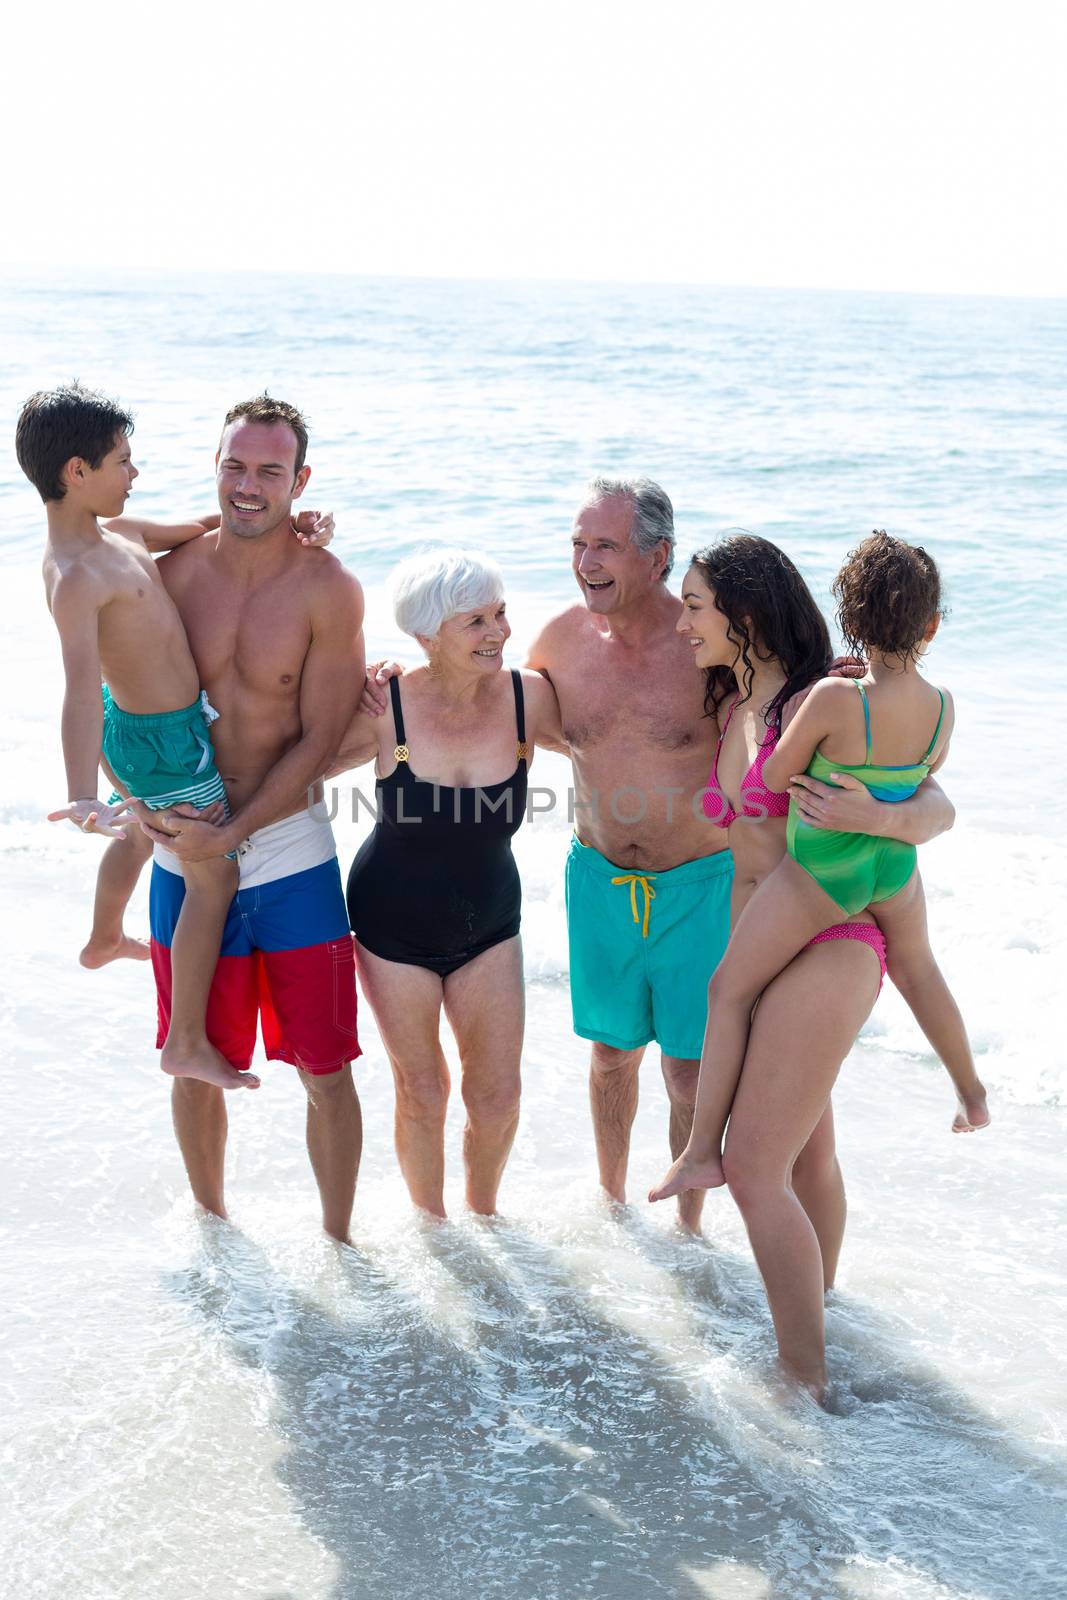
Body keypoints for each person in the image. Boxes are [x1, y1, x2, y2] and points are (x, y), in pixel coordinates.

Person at [644, 533, 960, 1397]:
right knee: (807, 1153)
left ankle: (803, 1378)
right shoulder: (734, 697)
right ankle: (817, 1313)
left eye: (696, 606)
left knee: (755, 1168)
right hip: (762, 938)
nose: (681, 624)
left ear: (744, 614)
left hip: (826, 940)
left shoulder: (827, 694)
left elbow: (933, 802)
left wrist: (887, 818)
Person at [18, 385, 322, 1093]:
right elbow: (75, 687)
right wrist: (82, 794)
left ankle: (103, 938)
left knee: (144, 834)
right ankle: (185, 1038)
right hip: (162, 744)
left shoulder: (116, 535)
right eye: (124, 461)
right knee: (213, 871)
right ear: (76, 472)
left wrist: (288, 524)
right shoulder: (73, 576)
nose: (134, 474)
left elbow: (198, 529)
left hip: (152, 731)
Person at [128, 393, 365, 1241]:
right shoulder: (169, 574)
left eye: (271, 471)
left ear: (302, 481)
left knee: (325, 1066)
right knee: (194, 1065)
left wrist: (238, 831)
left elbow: (320, 737)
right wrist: (140, 808)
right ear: (214, 468)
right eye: (235, 466)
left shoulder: (327, 590)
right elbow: (87, 547)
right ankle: (216, 1237)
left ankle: (340, 1246)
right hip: (184, 854)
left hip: (290, 852)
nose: (250, 486)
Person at [523, 478, 734, 1234]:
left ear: (658, 557)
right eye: (577, 544)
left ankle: (686, 1229)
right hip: (599, 881)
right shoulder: (558, 641)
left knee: (687, 1071)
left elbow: (782, 717)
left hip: (699, 887)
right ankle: (612, 1208)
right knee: (611, 1055)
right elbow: (494, 705)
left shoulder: (711, 643)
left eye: (604, 545)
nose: (585, 561)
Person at [333, 550, 563, 1219]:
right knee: (423, 1089)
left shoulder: (530, 697)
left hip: (490, 922)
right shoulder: (385, 705)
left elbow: (622, 743)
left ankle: (484, 1219)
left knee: (498, 1095)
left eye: (499, 613)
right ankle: (433, 1231)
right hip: (389, 925)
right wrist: (179, 802)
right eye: (476, 621)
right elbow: (295, 765)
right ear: (426, 637)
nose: (499, 631)